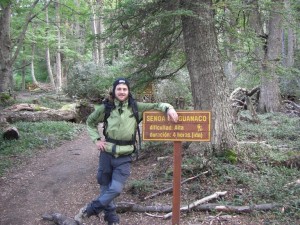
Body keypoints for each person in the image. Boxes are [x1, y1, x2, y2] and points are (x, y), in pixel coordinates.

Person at [74, 78, 178, 225]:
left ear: (128, 91)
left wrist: (169, 108)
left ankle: (89, 210)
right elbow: (90, 122)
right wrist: (96, 140)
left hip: (125, 156)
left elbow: (157, 105)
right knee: (105, 187)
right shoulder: (106, 108)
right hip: (106, 154)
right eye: (119, 89)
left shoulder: (136, 107)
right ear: (114, 91)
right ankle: (112, 219)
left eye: (124, 89)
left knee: (115, 189)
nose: (122, 92)